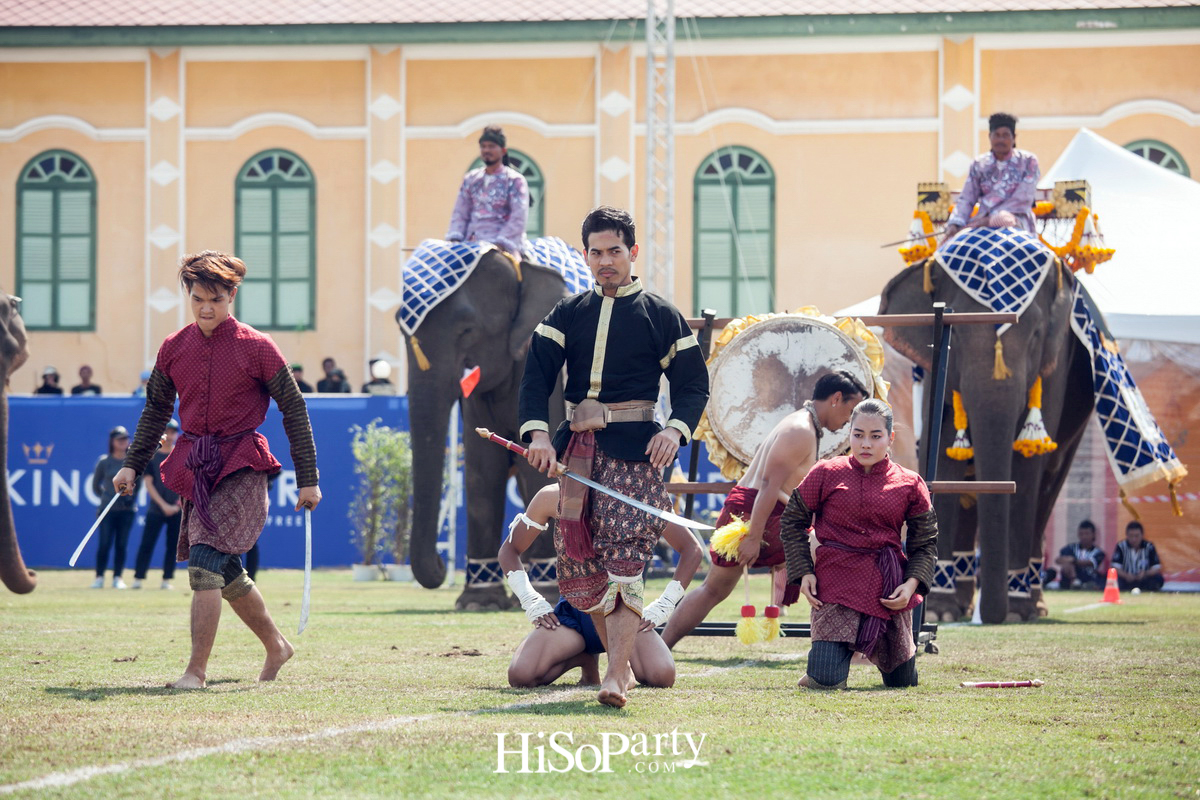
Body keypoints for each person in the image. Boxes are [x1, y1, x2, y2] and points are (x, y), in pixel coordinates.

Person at [519, 205, 709, 708]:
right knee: (580, 560)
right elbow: (537, 375)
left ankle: (617, 675)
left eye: (615, 251)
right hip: (576, 455)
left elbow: (693, 385)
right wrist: (538, 435)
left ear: (633, 253)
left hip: (637, 456)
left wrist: (675, 427)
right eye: (597, 252)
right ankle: (591, 655)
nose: (606, 261)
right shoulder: (568, 312)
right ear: (585, 255)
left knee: (626, 564)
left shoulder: (660, 314)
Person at [115, 250, 321, 689]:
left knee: (205, 560)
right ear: (189, 297)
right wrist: (132, 465)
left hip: (244, 464)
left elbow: (294, 409)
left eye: (216, 299)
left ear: (232, 295)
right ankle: (277, 646)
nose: (206, 308)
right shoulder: (173, 347)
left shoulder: (258, 347)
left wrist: (309, 479)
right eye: (197, 299)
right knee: (222, 568)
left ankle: (195, 671)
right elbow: (155, 412)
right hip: (197, 468)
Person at [662, 370, 869, 648]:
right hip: (753, 515)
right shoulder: (800, 430)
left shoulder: (803, 425)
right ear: (836, 398)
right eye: (851, 410)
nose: (849, 421)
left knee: (715, 589)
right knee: (715, 589)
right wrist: (752, 537)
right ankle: (661, 646)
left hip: (767, 512)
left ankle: (848, 643)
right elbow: (769, 486)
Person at [780, 399, 938, 690]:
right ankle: (821, 669)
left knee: (902, 684)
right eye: (858, 434)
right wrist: (804, 572)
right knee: (826, 682)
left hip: (888, 588)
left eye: (876, 436)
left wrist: (912, 584)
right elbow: (792, 522)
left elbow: (925, 542)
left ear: (890, 438)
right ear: (849, 434)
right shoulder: (825, 473)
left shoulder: (910, 483)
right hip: (836, 584)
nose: (866, 444)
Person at [502, 484, 702, 688]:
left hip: (626, 614)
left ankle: (617, 666)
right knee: (521, 676)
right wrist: (532, 601)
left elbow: (692, 550)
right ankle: (584, 658)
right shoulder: (552, 495)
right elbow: (509, 550)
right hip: (574, 618)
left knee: (661, 676)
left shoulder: (639, 492)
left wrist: (664, 605)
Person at [944, 112, 1040, 236]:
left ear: (1014, 138)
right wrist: (955, 223)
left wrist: (992, 218)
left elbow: (1023, 198)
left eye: (1005, 135)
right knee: (948, 246)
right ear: (990, 136)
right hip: (982, 223)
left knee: (1004, 219)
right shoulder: (978, 164)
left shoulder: (1028, 161)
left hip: (1016, 221)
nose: (1001, 139)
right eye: (997, 135)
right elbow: (967, 199)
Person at [445, 124, 529, 258]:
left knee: (517, 274)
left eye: (491, 146)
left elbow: (518, 217)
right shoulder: (471, 179)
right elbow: (460, 212)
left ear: (503, 151)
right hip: (470, 243)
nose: (486, 150)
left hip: (503, 245)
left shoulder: (515, 180)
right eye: (483, 147)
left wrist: (500, 244)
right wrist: (455, 239)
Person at [131, 419, 182, 590]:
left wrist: (177, 504)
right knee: (147, 543)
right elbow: (149, 483)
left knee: (172, 545)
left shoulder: (181, 455)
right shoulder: (152, 457)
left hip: (177, 509)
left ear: (177, 434)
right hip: (156, 508)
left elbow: (187, 482)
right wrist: (163, 505)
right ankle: (138, 578)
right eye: (166, 431)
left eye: (173, 431)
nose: (169, 435)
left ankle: (167, 579)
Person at [90, 426, 136, 589]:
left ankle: (118, 577)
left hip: (127, 511)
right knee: (104, 543)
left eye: (125, 438)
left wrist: (131, 499)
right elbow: (96, 486)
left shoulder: (132, 462)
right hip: (107, 511)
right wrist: (106, 497)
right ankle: (99, 576)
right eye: (119, 439)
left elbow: (139, 483)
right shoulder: (104, 461)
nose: (123, 442)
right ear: (112, 441)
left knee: (121, 544)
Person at [1111, 521, 1164, 593]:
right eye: (1131, 536)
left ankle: (1146, 590)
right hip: (1126, 579)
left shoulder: (1149, 546)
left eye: (1136, 536)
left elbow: (1156, 567)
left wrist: (1145, 573)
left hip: (1144, 579)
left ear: (1142, 535)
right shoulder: (1121, 546)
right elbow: (1115, 567)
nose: (1134, 539)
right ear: (1127, 535)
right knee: (1114, 580)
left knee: (1158, 579)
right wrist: (1126, 575)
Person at [1053, 520, 1106, 590]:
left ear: (1093, 534)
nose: (1084, 537)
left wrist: (1073, 560)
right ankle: (1075, 582)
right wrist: (1068, 561)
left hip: (1088, 577)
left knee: (1069, 563)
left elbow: (1090, 563)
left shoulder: (1098, 552)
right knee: (1067, 564)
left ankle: (1079, 584)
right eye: (1081, 534)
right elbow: (1058, 560)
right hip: (1070, 577)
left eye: (1087, 534)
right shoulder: (1071, 547)